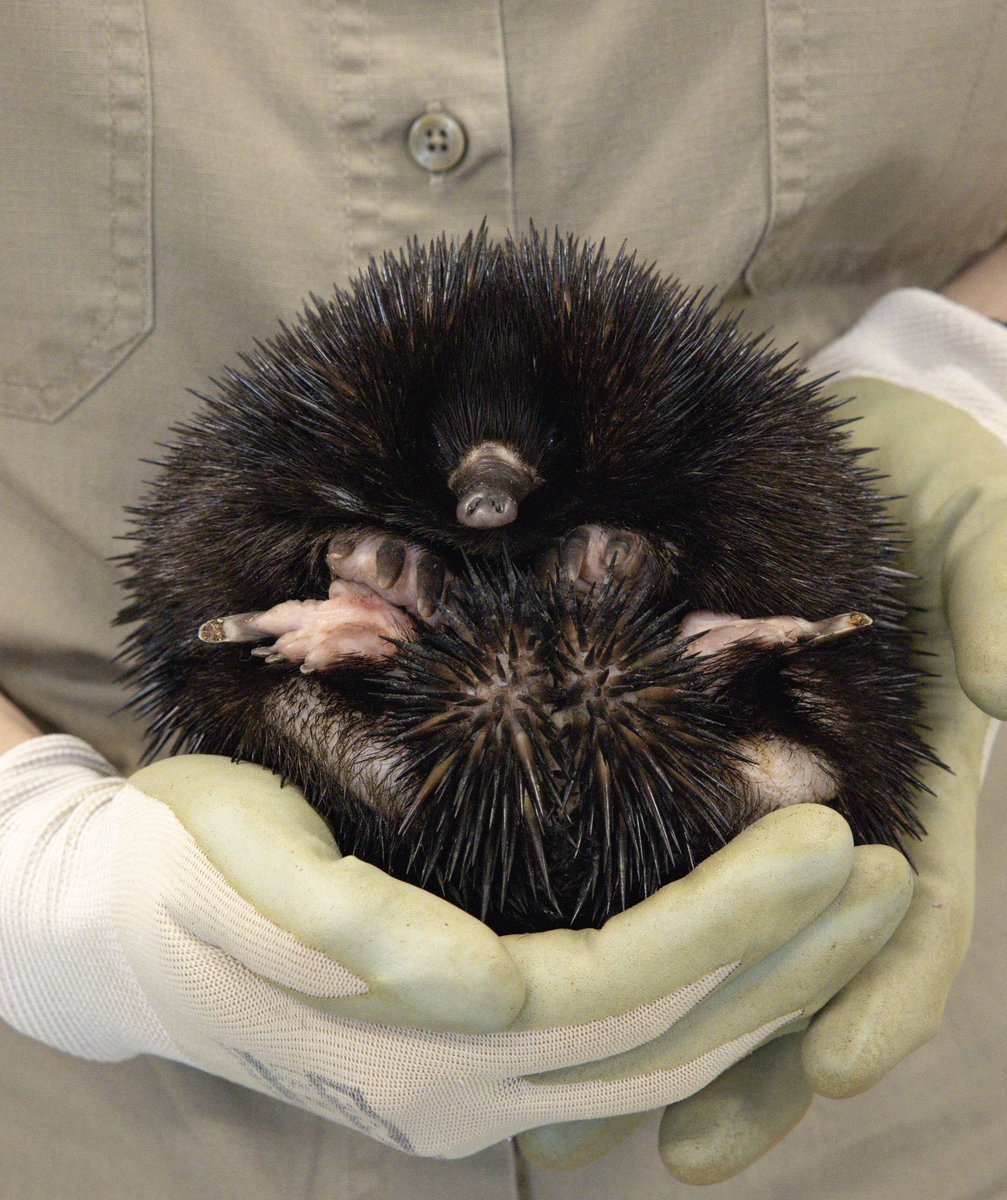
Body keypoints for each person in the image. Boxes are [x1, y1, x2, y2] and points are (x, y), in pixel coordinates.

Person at [1, 3, 1005, 1197]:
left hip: (857, 1069)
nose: (483, 505)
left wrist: (968, 362)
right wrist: (35, 866)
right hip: (121, 1080)